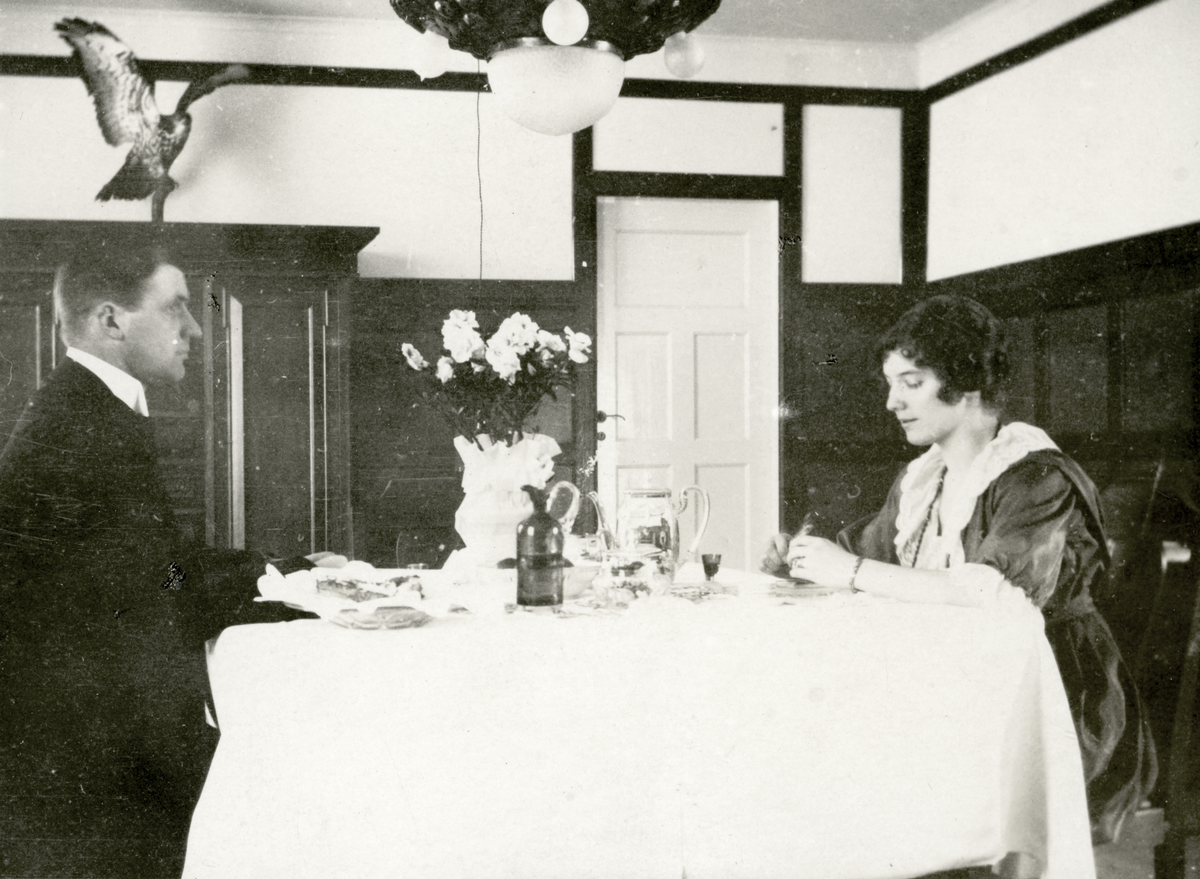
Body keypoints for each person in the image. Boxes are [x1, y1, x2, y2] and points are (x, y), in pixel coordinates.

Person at [762, 294, 1156, 846]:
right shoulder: (926, 479)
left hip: (1054, 701)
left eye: (912, 382)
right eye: (891, 384)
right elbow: (870, 554)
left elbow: (990, 592)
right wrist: (801, 559)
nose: (892, 402)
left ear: (967, 384)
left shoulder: (1036, 477)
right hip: (968, 682)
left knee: (879, 780)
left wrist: (848, 568)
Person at [0, 239, 311, 878]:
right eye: (175, 307)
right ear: (111, 320)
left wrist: (278, 566)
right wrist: (291, 589)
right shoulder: (86, 422)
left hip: (87, 747)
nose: (194, 328)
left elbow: (159, 565)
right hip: (83, 776)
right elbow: (160, 586)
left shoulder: (89, 407)